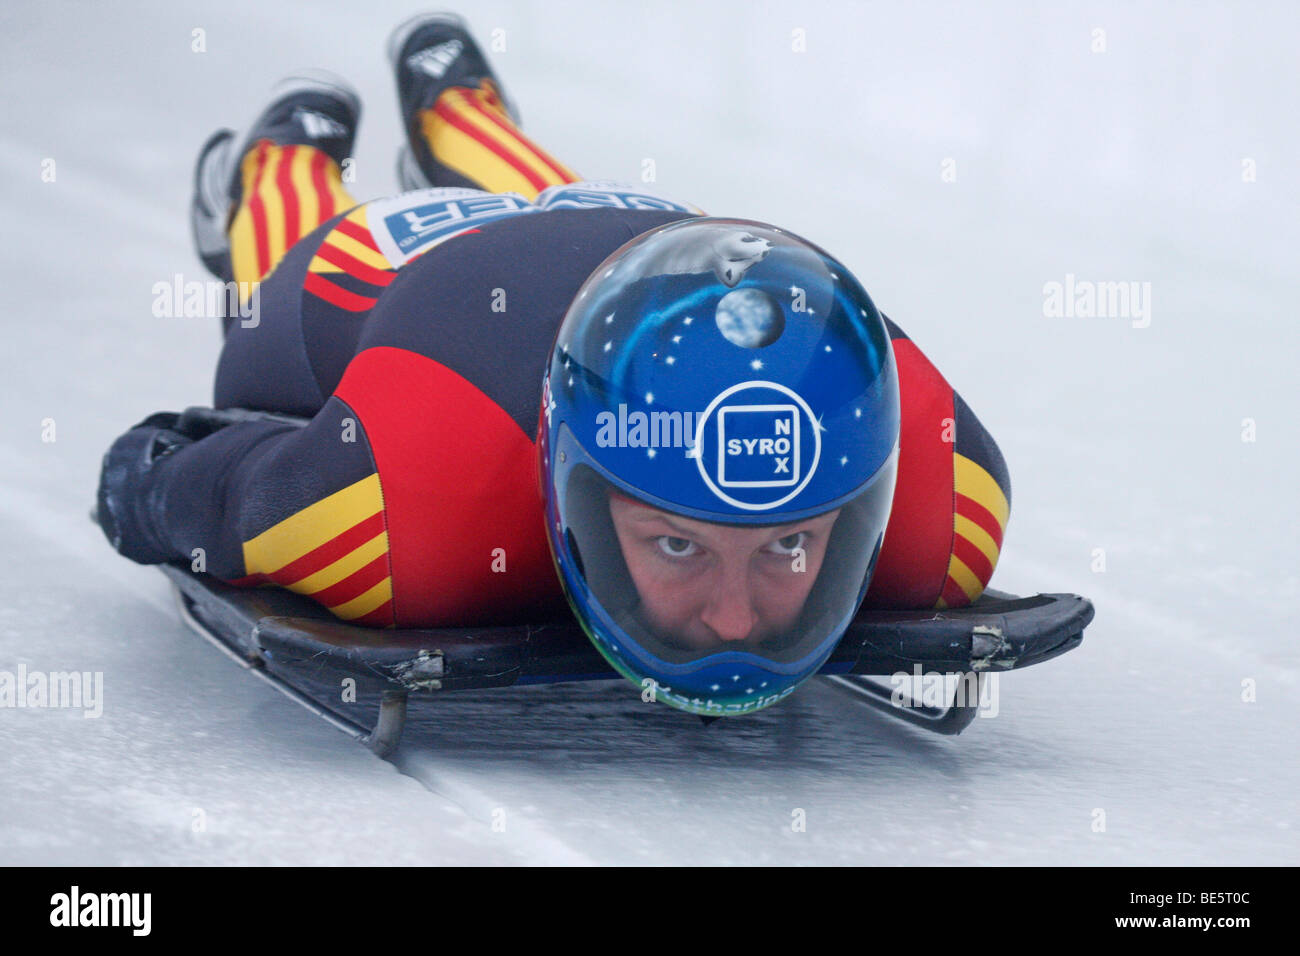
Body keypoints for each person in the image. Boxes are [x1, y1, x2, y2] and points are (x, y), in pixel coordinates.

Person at [97, 12, 1011, 715]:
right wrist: (146, 484)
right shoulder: (399, 504)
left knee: (561, 202)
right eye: (679, 544)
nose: (736, 622)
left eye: (790, 545)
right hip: (391, 265)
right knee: (291, 280)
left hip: (638, 230)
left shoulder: (939, 488)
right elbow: (227, 500)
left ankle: (456, 111)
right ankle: (281, 168)